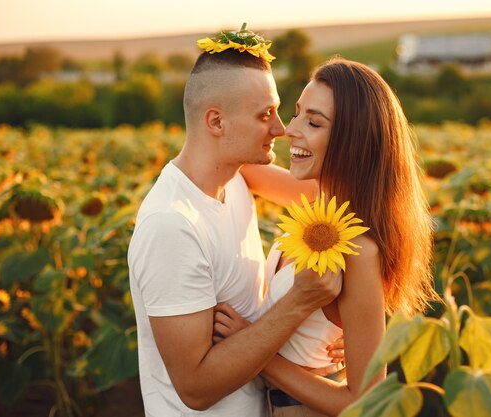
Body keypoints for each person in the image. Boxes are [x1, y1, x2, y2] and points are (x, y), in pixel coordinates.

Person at [127, 26, 343, 417]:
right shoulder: (170, 227)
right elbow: (195, 388)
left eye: (278, 111)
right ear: (215, 122)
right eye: (265, 115)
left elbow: (350, 202)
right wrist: (298, 303)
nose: (280, 129)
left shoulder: (238, 177)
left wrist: (361, 329)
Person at [215, 58, 437, 416]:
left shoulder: (357, 250)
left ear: (353, 140)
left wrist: (251, 347)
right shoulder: (318, 202)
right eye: (298, 112)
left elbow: (365, 403)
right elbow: (243, 167)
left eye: (314, 122)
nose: (290, 129)